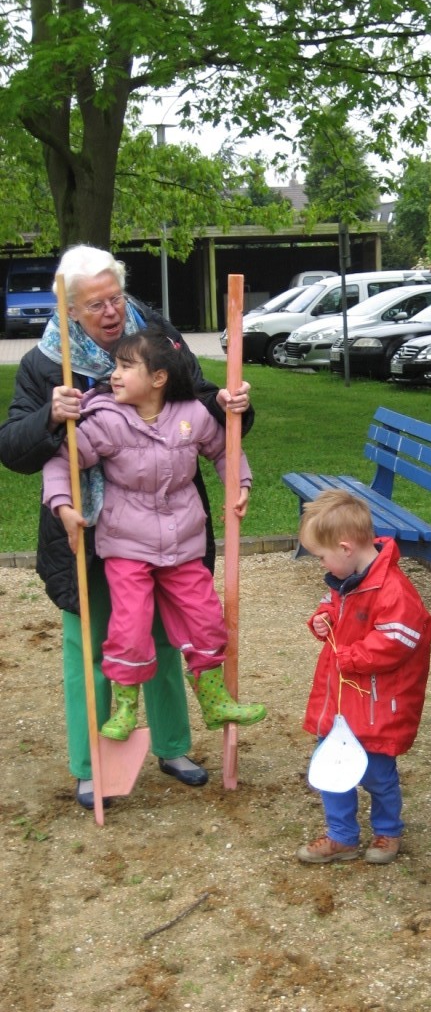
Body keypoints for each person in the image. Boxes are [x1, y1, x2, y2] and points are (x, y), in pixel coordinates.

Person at [0, 244, 255, 809]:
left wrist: (231, 402)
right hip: (88, 530)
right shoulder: (47, 363)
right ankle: (94, 764)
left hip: (167, 526)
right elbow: (15, 449)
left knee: (165, 635)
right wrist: (50, 415)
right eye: (95, 306)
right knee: (92, 643)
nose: (111, 312)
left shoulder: (156, 335)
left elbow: (201, 409)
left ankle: (172, 746)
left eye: (114, 298)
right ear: (69, 311)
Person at [42, 328, 266, 741]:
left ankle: (214, 698)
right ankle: (127, 706)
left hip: (183, 540)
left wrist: (240, 485)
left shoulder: (192, 415)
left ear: (159, 378)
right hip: (127, 543)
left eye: (128, 367)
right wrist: (63, 506)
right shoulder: (106, 421)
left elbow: (224, 450)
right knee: (130, 624)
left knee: (206, 618)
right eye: (116, 365)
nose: (116, 374)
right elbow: (62, 462)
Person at [295, 489, 431, 865]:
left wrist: (352, 657)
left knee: (377, 773)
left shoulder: (394, 590)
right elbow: (330, 605)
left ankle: (388, 831)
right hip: (341, 700)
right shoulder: (345, 578)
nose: (320, 564)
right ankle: (342, 836)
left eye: (321, 556)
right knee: (331, 768)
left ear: (344, 547)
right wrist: (321, 619)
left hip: (376, 704)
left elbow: (398, 639)